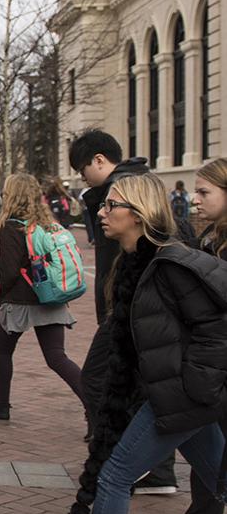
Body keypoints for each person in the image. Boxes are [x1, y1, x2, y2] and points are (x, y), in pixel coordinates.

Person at [24, 173, 227, 514]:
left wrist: (195, 386)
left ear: (136, 214)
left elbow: (214, 331)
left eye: (110, 204)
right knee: (217, 477)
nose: (100, 210)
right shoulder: (135, 262)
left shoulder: (171, 264)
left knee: (115, 475)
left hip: (183, 397)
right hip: (181, 396)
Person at [68, 130, 173, 491]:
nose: (103, 211)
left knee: (100, 380)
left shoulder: (128, 187)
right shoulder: (123, 185)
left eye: (84, 170)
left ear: (99, 159)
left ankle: (128, 460)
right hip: (126, 307)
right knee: (144, 388)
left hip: (129, 310)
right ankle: (155, 470)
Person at [145, 159, 227, 514]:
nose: (195, 200)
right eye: (195, 191)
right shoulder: (212, 239)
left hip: (216, 368)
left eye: (205, 193)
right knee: (212, 454)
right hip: (213, 368)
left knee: (213, 453)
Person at [0, 173, 85, 423]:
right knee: (57, 357)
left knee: (3, 353)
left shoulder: (12, 227)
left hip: (19, 301)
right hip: (50, 297)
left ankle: (2, 406)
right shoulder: (47, 223)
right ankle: (95, 407)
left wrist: (0, 297)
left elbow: (8, 272)